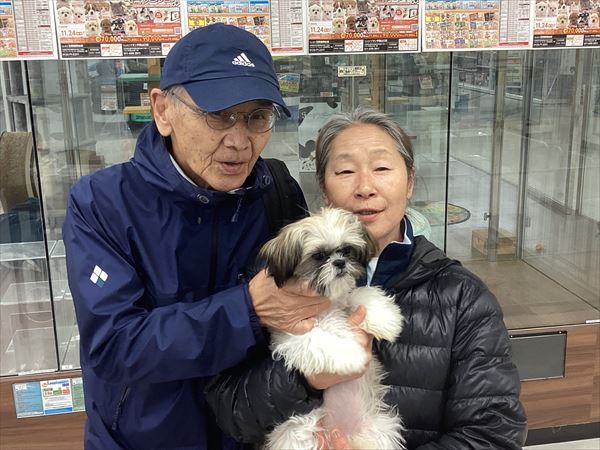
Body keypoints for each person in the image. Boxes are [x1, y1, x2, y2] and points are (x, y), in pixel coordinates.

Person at [62, 23, 335, 450]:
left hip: (253, 433)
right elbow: (113, 346)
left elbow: (303, 312)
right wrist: (247, 309)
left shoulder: (277, 190)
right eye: (218, 114)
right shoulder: (101, 203)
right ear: (162, 111)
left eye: (257, 117)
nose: (239, 141)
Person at [205, 107, 528, 449]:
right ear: (324, 188)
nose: (365, 187)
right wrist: (303, 380)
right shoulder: (272, 283)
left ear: (410, 182)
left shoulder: (463, 298)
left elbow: (493, 434)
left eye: (382, 168)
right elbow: (230, 411)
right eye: (345, 171)